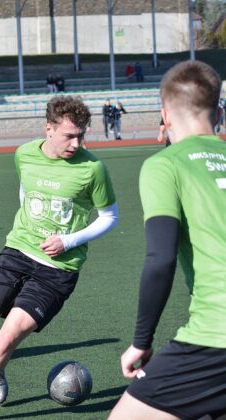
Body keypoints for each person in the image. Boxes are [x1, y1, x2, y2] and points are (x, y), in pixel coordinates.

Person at [0, 95, 118, 419]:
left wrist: (68, 240)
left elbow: (110, 217)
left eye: (81, 135)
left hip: (57, 271)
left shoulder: (92, 169)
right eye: (69, 136)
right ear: (49, 129)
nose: (76, 143)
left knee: (5, 339)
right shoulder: (24, 154)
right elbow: (26, 191)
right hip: (16, 253)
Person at [109, 60, 226, 420]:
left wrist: (141, 342)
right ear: (219, 112)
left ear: (165, 116)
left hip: (215, 334)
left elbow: (161, 258)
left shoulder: (166, 164)